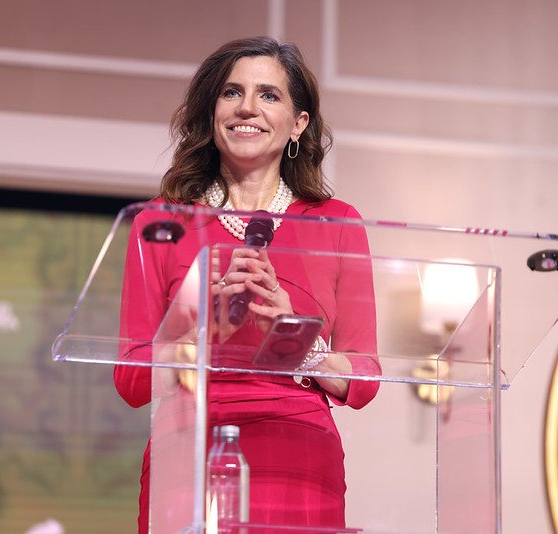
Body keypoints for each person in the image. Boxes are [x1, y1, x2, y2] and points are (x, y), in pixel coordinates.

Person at [114, 36, 379, 532]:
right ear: (212, 112)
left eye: (269, 95)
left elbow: (364, 378)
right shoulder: (161, 222)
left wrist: (293, 333)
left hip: (298, 455)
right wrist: (200, 334)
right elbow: (130, 379)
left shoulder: (337, 223)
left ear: (298, 123)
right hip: (188, 448)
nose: (247, 108)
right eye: (231, 92)